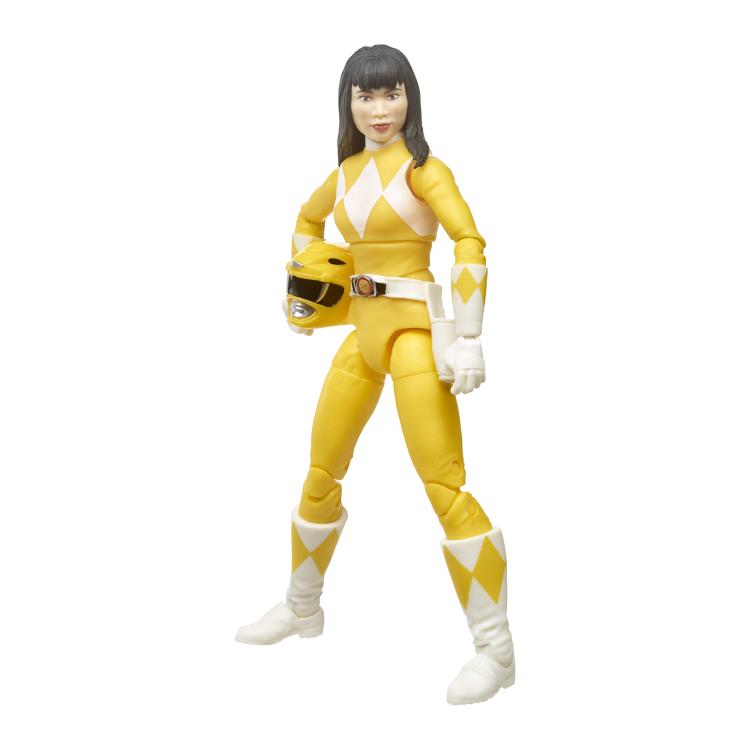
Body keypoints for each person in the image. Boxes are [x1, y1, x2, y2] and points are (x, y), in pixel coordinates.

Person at [236, 44, 515, 705]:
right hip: (360, 338)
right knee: (320, 472)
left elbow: (469, 241)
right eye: (366, 96)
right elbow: (307, 222)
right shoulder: (344, 174)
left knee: (444, 486)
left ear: (410, 98)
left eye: (392, 93)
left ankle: (496, 650)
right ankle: (302, 606)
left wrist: (468, 336)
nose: (380, 108)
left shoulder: (424, 170)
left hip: (415, 336)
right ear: (349, 103)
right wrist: (309, 291)